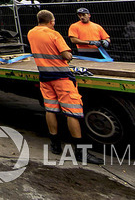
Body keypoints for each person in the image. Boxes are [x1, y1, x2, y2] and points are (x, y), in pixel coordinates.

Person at [27, 9, 102, 164]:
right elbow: (67, 55)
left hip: (45, 76)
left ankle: (55, 144)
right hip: (61, 77)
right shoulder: (54, 34)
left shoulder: (31, 33)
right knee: (72, 111)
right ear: (51, 21)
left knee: (50, 109)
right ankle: (81, 152)